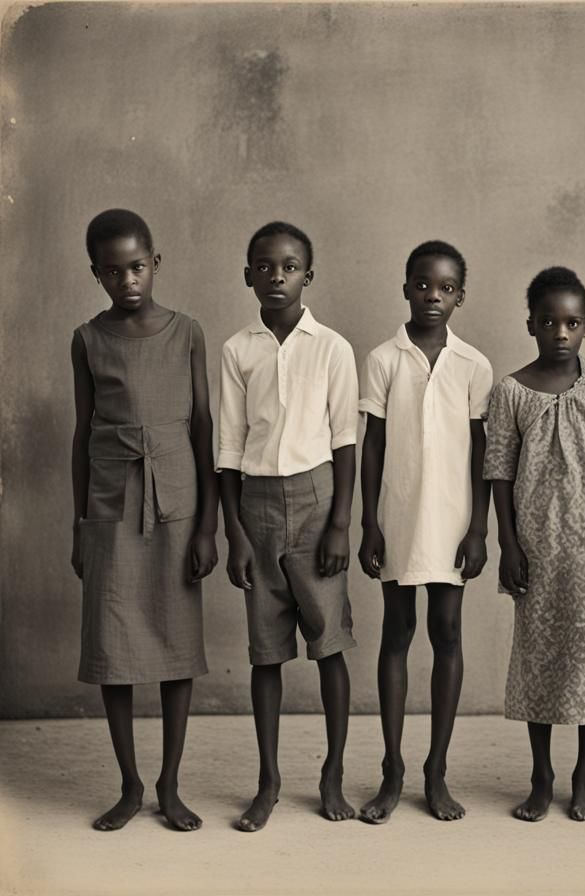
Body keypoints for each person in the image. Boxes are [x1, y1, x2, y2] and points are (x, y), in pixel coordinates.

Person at [71, 208, 218, 832]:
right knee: (114, 645)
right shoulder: (87, 339)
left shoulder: (187, 333)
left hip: (176, 505)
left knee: (176, 644)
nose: (127, 280)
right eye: (112, 271)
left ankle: (169, 784)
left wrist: (208, 525)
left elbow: (203, 427)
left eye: (136, 267)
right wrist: (80, 525)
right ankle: (130, 785)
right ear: (96, 274)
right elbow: (82, 435)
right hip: (110, 507)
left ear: (155, 263)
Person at [486, 267, 585, 822]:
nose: (560, 332)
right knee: (540, 655)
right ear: (530, 324)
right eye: (549, 321)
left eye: (572, 323)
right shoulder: (510, 393)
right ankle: (541, 775)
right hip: (537, 545)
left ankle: (584, 776)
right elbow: (499, 472)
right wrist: (508, 544)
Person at [218, 221, 359, 831]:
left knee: (329, 646)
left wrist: (340, 524)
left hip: (317, 501)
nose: (277, 276)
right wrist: (235, 532)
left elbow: (345, 440)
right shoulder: (237, 350)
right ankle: (268, 781)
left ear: (308, 275)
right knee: (266, 653)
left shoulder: (332, 347)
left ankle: (333, 775)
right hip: (256, 507)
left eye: (290, 267)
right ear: (247, 275)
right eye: (265, 266)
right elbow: (229, 447)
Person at [357, 240, 492, 822]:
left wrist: (479, 528)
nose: (433, 296)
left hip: (452, 520)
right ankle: (392, 768)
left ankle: (437, 771)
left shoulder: (473, 364)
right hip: (399, 516)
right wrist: (369, 522)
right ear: (406, 288)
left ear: (460, 295)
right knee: (397, 631)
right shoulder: (383, 358)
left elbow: (483, 454)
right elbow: (372, 446)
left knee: (447, 632)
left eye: (445, 288)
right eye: (422, 285)